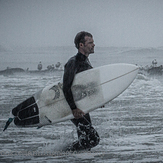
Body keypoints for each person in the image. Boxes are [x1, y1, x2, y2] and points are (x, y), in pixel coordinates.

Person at [63, 31, 100, 151]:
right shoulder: (73, 62)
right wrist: (73, 108)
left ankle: (78, 157)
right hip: (73, 107)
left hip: (82, 106)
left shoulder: (85, 61)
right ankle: (63, 152)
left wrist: (98, 99)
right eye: (90, 42)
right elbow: (66, 87)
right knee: (93, 139)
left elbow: (84, 85)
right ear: (81, 45)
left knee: (85, 140)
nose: (93, 45)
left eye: (93, 42)